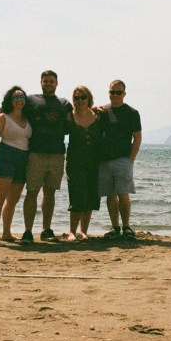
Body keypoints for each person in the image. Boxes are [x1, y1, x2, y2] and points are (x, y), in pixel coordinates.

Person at [0, 70, 72, 242]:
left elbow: (76, 117)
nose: (48, 83)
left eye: (51, 81)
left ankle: (45, 230)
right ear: (41, 82)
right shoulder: (30, 100)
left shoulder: (64, 103)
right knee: (31, 192)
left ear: (57, 83)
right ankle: (27, 232)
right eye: (45, 81)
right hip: (34, 153)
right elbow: (6, 107)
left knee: (49, 193)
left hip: (56, 153)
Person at [98, 79, 142, 239]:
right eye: (112, 92)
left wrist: (131, 159)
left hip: (123, 159)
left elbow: (137, 137)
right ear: (108, 93)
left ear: (124, 94)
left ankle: (126, 226)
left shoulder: (131, 113)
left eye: (118, 92)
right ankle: (115, 227)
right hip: (105, 159)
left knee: (123, 193)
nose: (115, 95)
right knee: (110, 195)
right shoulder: (103, 111)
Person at [0, 86, 31, 247]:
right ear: (10, 100)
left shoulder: (27, 117)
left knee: (13, 200)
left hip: (23, 159)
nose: (19, 100)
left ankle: (6, 233)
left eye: (22, 97)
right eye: (16, 97)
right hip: (5, 156)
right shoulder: (2, 118)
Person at [63, 85, 102, 241]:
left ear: (89, 98)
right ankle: (72, 232)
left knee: (90, 195)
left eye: (83, 97)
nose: (80, 101)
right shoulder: (69, 116)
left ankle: (84, 231)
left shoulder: (98, 116)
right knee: (77, 196)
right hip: (74, 162)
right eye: (76, 98)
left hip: (94, 161)